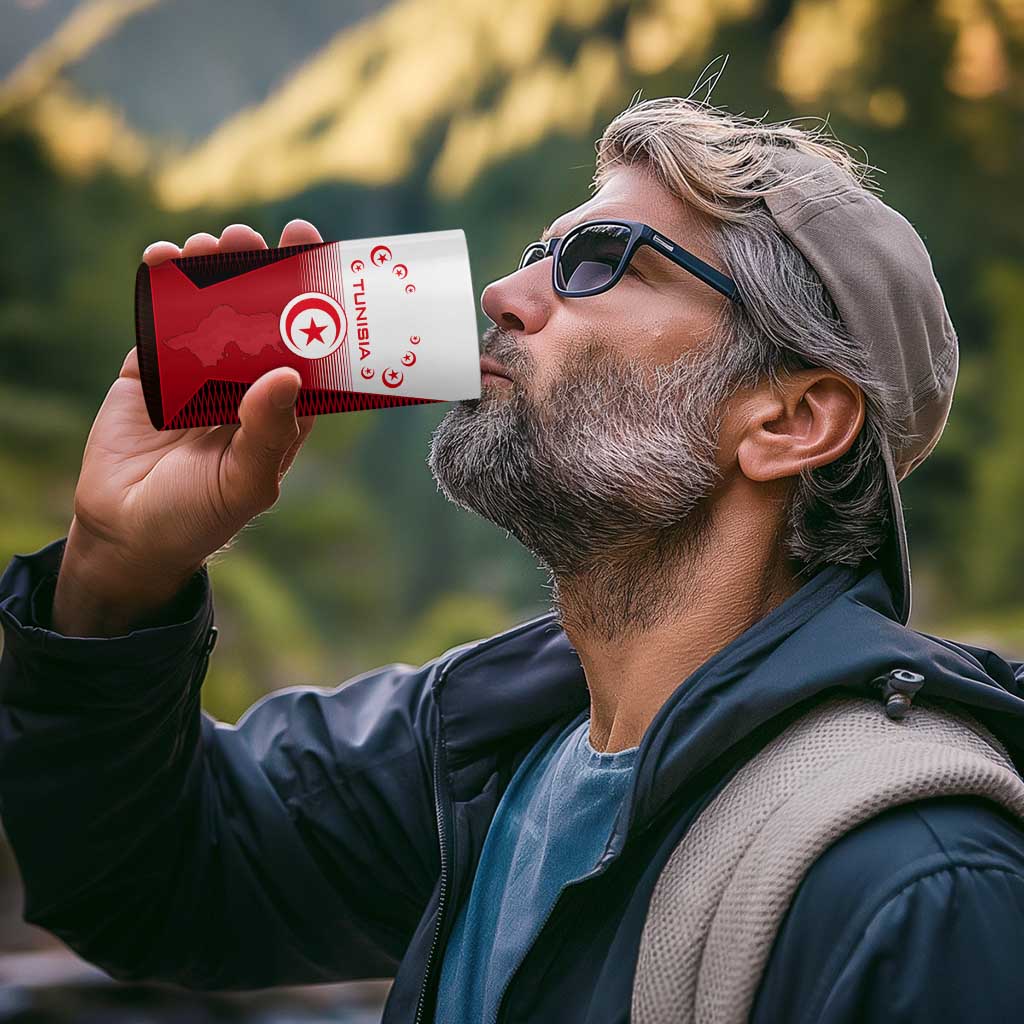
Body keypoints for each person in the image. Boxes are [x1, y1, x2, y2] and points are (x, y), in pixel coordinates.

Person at [2, 95, 1024, 1024]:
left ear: (791, 419)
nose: (504, 291)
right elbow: (149, 880)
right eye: (540, 252)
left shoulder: (918, 884)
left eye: (599, 261)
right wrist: (116, 572)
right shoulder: (480, 749)